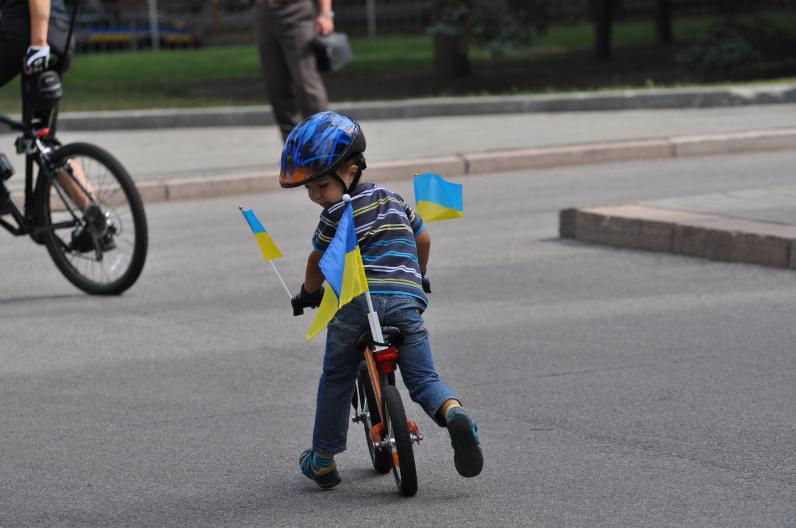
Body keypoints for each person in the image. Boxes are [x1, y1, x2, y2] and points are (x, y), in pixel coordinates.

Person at [280, 111, 484, 489]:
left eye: (321, 185)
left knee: (337, 377)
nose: (315, 196)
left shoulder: (335, 213)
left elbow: (317, 262)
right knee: (424, 379)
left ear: (352, 170)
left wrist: (308, 294)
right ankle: (454, 414)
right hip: (406, 300)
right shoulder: (394, 198)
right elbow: (423, 239)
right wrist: (418, 276)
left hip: (358, 303)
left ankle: (323, 459)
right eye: (309, 189)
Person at [253, 0, 333, 142]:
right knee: (276, 84)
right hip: (264, 10)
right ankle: (293, 145)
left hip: (295, 10)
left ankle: (323, 142)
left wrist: (325, 13)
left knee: (306, 82)